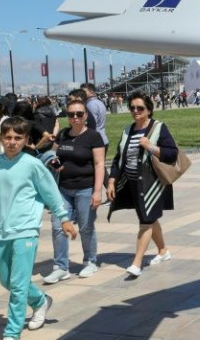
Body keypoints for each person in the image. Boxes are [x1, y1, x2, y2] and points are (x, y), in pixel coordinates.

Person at [0, 117, 78, 339]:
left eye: (18, 138)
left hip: (26, 232)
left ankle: (12, 332)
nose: (12, 142)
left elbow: (50, 193)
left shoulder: (33, 165)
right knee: (6, 279)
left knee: (18, 285)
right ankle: (40, 300)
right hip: (0, 232)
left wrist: (64, 218)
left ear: (26, 140)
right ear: (0, 138)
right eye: (8, 137)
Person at [107, 91, 178, 277]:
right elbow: (118, 158)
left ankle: (136, 263)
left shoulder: (158, 128)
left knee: (145, 221)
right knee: (150, 218)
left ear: (149, 110)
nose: (135, 111)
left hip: (152, 184)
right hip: (132, 183)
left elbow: (172, 154)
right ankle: (163, 250)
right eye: (132, 108)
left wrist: (150, 147)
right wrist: (112, 181)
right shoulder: (127, 130)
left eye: (140, 108)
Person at [43, 99, 106, 284]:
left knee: (86, 228)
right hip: (62, 189)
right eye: (71, 114)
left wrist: (97, 191)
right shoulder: (63, 134)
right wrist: (55, 164)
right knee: (57, 227)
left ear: (85, 115)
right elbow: (52, 155)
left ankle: (90, 261)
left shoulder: (93, 136)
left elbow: (99, 164)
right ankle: (61, 267)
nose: (75, 118)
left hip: (85, 188)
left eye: (79, 114)